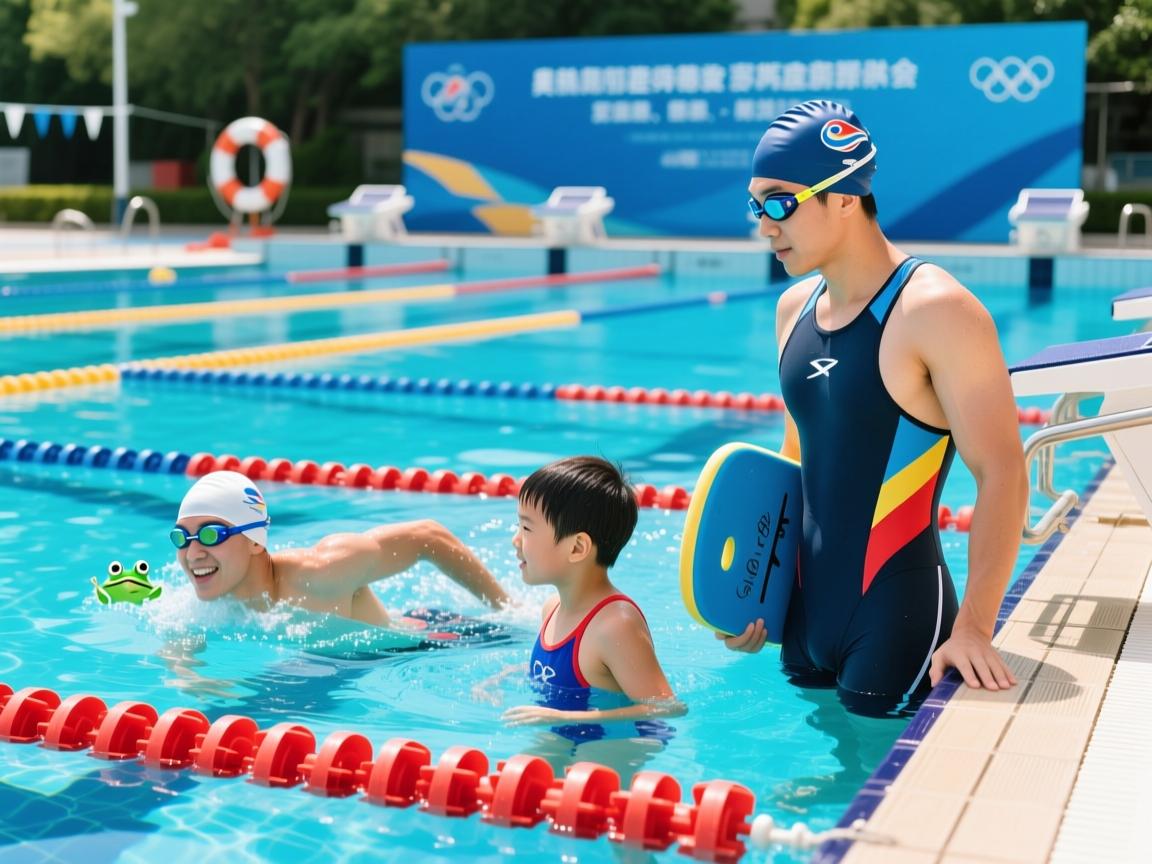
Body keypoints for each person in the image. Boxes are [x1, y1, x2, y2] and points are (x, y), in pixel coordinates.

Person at [724, 99, 1029, 716]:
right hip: (802, 617)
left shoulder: (936, 311)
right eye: (756, 205)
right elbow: (795, 471)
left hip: (898, 615)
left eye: (781, 202)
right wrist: (751, 594)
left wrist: (974, 628)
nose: (764, 225)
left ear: (843, 195)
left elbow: (1003, 472)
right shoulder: (793, 312)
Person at [171, 470, 509, 626]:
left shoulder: (323, 570)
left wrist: (505, 607)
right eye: (181, 538)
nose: (193, 553)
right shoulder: (202, 598)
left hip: (436, 639)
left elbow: (428, 536)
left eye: (212, 534)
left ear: (256, 541)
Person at [500, 456, 683, 727]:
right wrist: (505, 676)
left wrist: (567, 718)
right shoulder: (552, 609)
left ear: (577, 548)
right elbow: (557, 673)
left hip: (614, 748)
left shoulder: (615, 625)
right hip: (567, 736)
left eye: (526, 528)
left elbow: (667, 707)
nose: (515, 539)